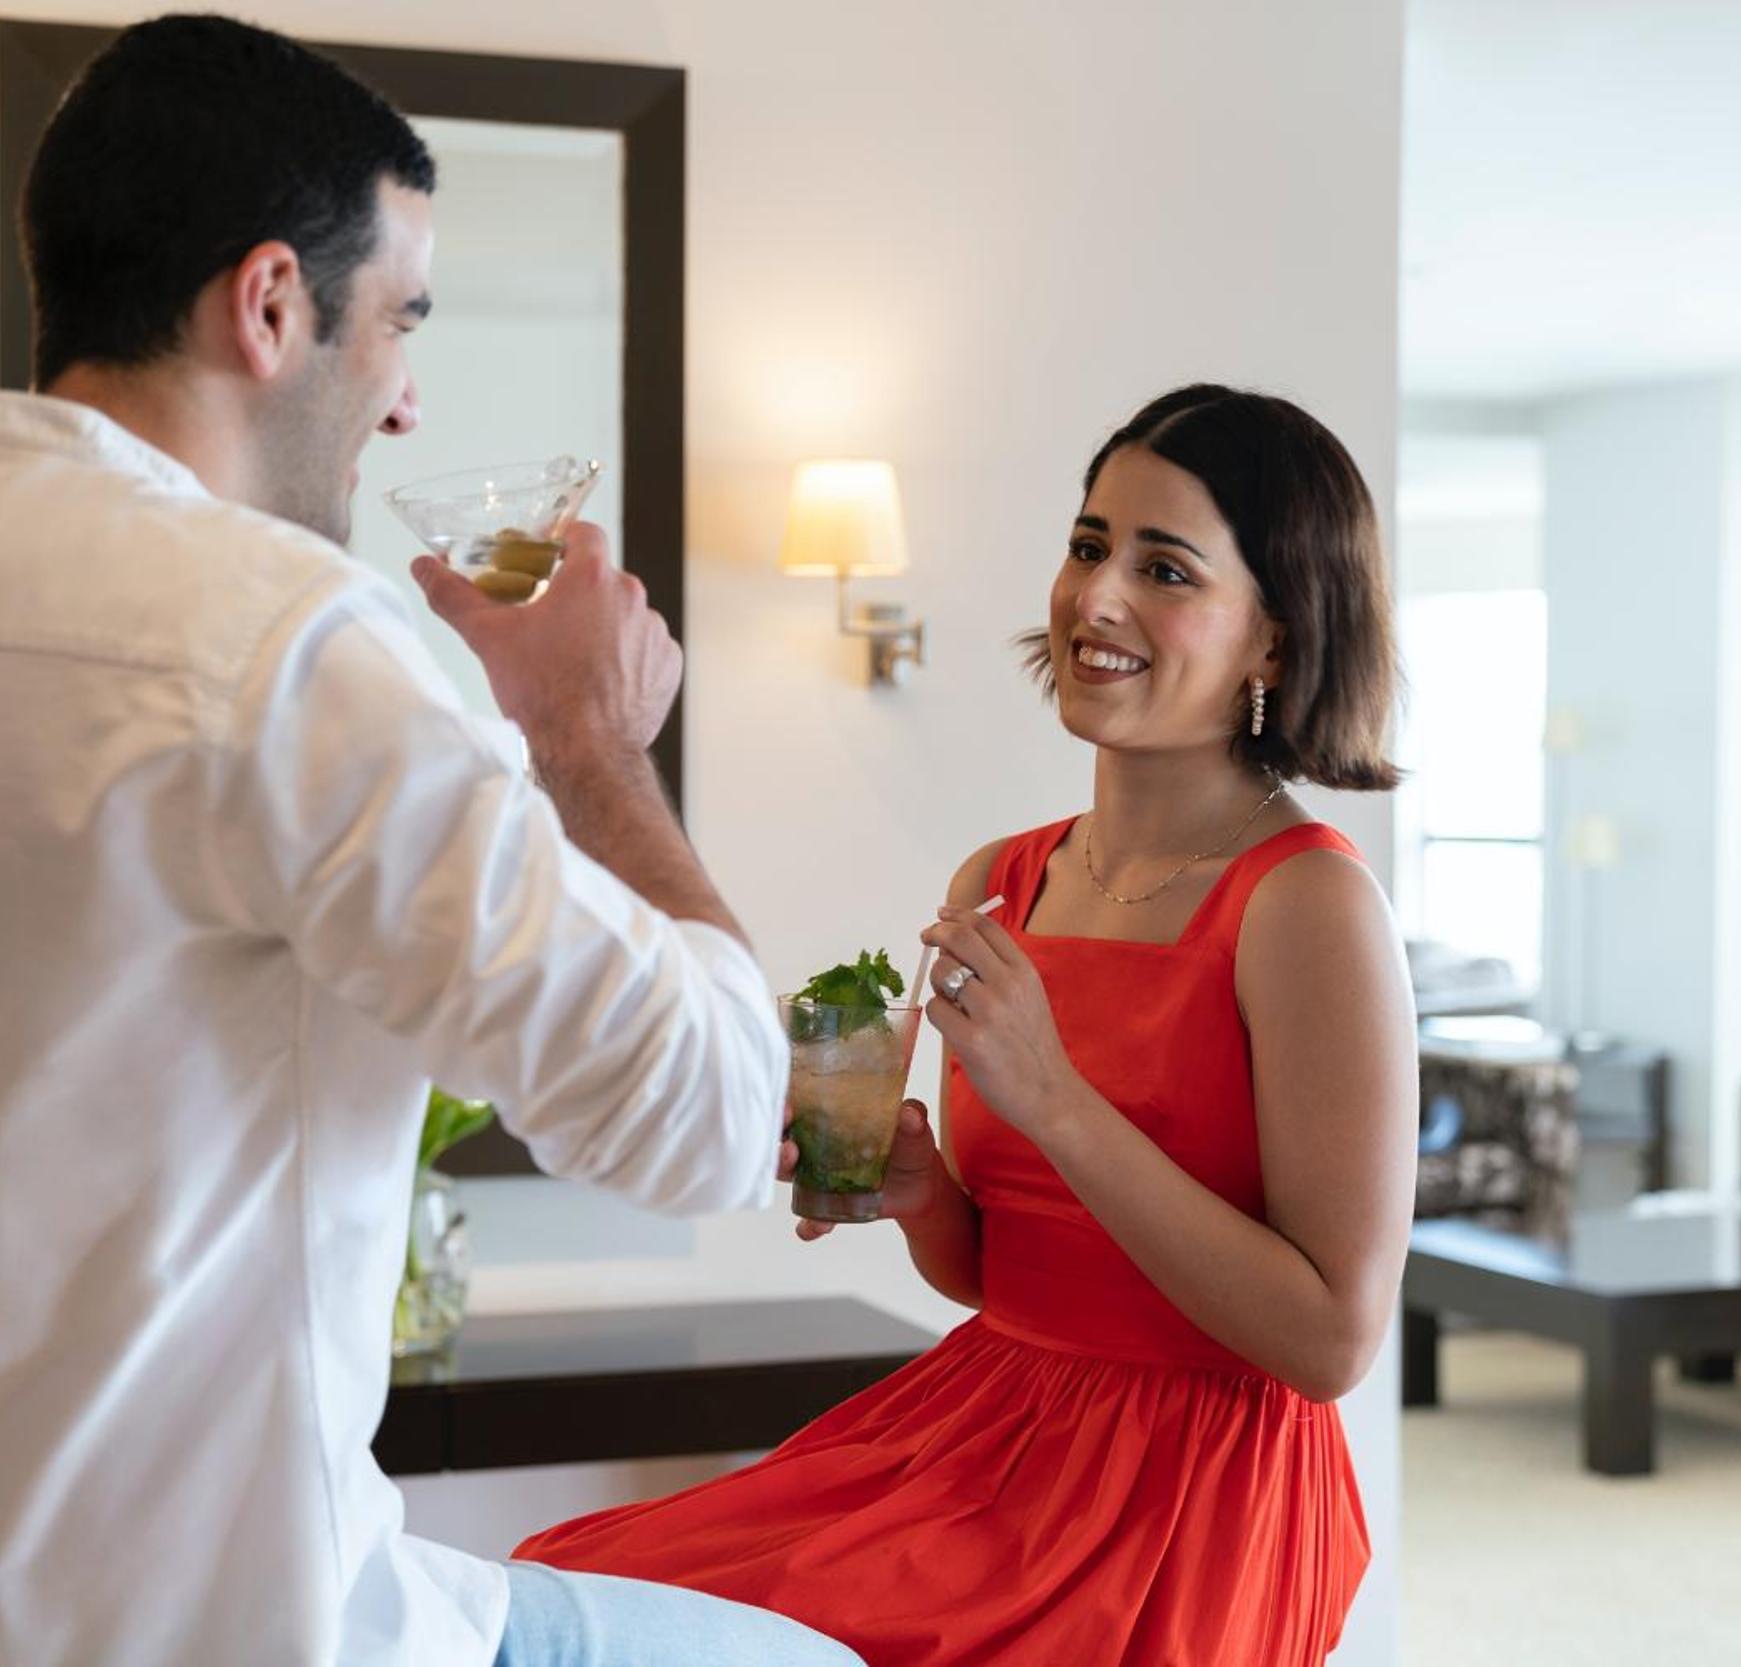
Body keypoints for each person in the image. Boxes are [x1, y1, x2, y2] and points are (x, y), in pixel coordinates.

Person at [0, 16, 857, 1667]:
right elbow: (706, 1118)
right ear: (271, 303)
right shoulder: (282, 644)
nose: (406, 404)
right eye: (400, 320)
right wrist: (589, 743)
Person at [517, 384, 1419, 1666]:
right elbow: (1012, 1280)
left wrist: (1053, 1097)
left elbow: (1329, 1339)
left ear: (1273, 640)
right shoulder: (1002, 878)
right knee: (563, 1593)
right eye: (1090, 543)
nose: (1096, 596)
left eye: (1164, 568)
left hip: (1185, 1496)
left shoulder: (1308, 904)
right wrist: (926, 1195)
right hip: (992, 1423)